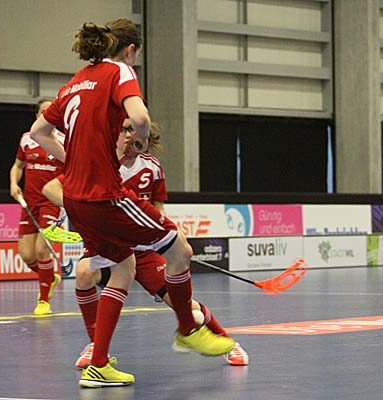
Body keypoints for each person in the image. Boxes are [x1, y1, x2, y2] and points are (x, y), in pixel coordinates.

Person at [29, 20, 234, 388]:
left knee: (122, 267)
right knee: (181, 250)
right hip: (104, 195)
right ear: (130, 50)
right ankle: (188, 329)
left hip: (76, 197)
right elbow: (140, 117)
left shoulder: (75, 82)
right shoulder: (119, 71)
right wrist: (140, 136)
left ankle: (98, 364)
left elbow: (38, 132)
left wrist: (75, 162)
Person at [42, 119, 248, 368]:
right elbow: (51, 188)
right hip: (110, 242)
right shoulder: (101, 163)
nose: (132, 140)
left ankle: (228, 342)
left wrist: (163, 238)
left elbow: (157, 207)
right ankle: (95, 345)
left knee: (182, 305)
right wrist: (83, 207)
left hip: (143, 248)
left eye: (140, 137)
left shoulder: (152, 167)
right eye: (126, 133)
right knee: (84, 272)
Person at [9, 99, 64, 316]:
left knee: (42, 249)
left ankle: (43, 301)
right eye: (42, 111)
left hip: (52, 202)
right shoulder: (27, 139)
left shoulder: (64, 141)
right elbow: (18, 166)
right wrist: (14, 184)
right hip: (30, 202)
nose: (45, 115)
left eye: (50, 112)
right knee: (26, 254)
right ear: (37, 115)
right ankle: (50, 278)